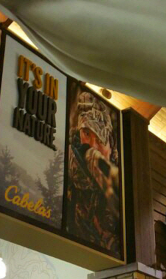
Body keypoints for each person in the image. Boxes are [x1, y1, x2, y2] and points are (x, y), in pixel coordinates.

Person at [66, 91, 120, 253]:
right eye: (87, 134)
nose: (92, 145)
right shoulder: (69, 163)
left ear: (110, 144)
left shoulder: (118, 181)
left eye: (100, 139)